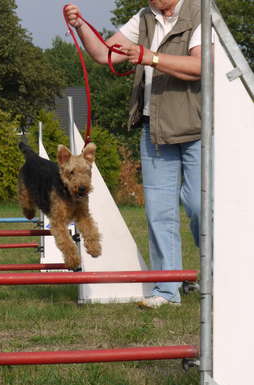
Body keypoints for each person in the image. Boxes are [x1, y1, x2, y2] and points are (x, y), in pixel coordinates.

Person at [63, 0, 204, 308]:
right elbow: (104, 53)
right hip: (155, 127)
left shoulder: (200, 12)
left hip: (198, 127)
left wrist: (150, 57)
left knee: (199, 207)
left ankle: (213, 274)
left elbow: (200, 66)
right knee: (159, 214)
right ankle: (168, 291)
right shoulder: (144, 17)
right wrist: (81, 26)